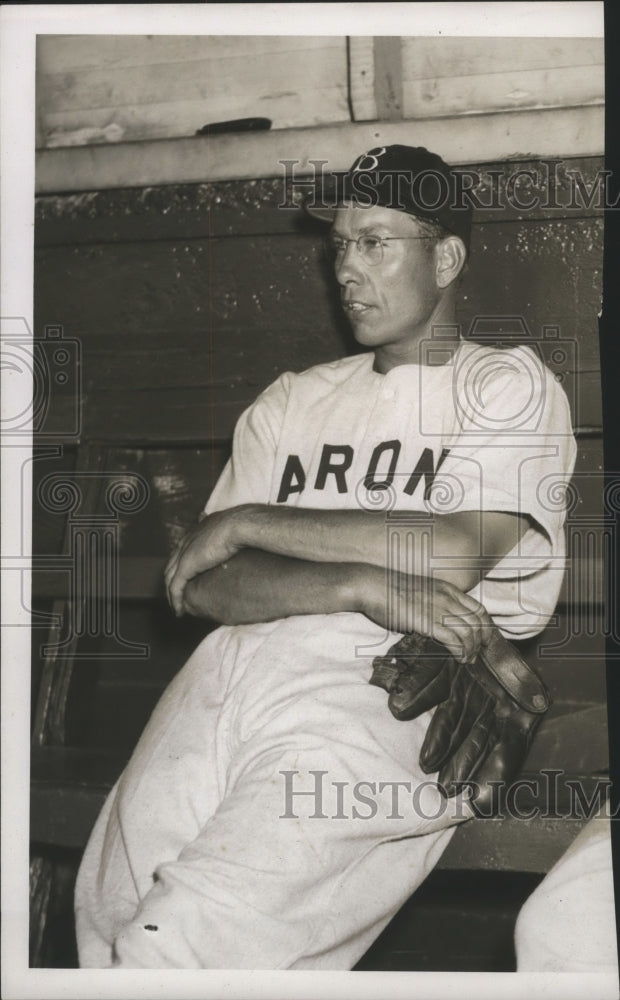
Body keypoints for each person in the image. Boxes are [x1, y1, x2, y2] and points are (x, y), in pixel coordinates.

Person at [74, 144, 577, 969]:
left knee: (186, 946)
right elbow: (201, 584)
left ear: (446, 257)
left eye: (376, 242)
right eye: (340, 243)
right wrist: (359, 582)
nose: (347, 267)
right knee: (106, 920)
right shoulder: (292, 397)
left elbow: (449, 556)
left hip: (386, 686)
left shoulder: (509, 386)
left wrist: (252, 521)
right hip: (228, 667)